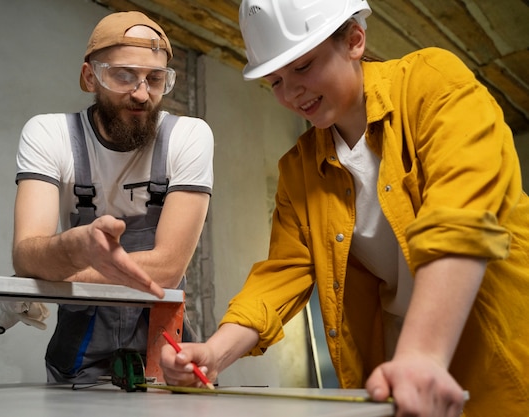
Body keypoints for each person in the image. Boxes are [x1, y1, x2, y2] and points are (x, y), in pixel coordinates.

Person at [160, 1, 529, 416]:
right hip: (398, 372)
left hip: (499, 360)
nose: (290, 92)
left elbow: (461, 216)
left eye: (302, 67)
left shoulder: (432, 83)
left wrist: (423, 353)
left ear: (355, 39)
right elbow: (281, 276)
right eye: (275, 80)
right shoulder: (299, 169)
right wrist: (214, 352)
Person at [11, 11, 213, 384]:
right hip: (77, 356)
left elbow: (167, 269)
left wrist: (58, 267)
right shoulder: (49, 134)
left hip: (165, 353)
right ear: (91, 76)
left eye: (155, 79)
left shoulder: (189, 136)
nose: (141, 93)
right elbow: (25, 254)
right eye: (124, 75)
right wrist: (75, 246)